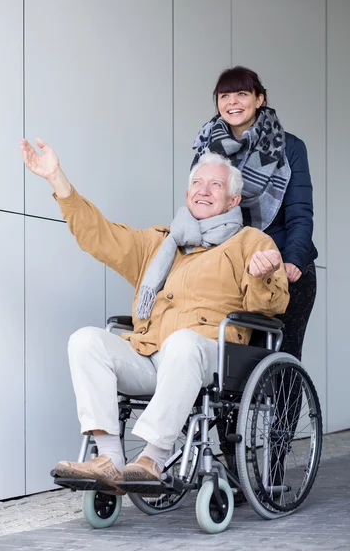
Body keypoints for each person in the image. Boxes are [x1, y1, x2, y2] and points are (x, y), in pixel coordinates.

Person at [21, 137, 289, 493]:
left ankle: (153, 457)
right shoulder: (161, 243)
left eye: (215, 185)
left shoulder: (250, 242)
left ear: (233, 199)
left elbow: (271, 306)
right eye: (197, 182)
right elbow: (100, 236)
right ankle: (110, 458)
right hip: (151, 356)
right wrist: (57, 179)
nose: (203, 190)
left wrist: (263, 274)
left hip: (212, 356)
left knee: (182, 343)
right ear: (186, 191)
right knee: (85, 340)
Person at [191, 65, 317, 462]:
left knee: (281, 366)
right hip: (229, 269)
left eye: (242, 94)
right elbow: (202, 208)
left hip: (282, 269)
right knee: (229, 367)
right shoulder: (206, 149)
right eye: (225, 96)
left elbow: (300, 213)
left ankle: (274, 464)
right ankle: (234, 466)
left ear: (259, 99)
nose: (233, 102)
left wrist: (292, 261)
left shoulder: (290, 147)